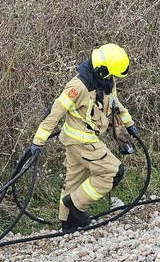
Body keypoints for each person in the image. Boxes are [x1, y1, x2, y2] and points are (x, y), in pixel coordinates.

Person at [29, 44, 139, 232]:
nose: (112, 78)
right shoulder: (77, 87)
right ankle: (75, 204)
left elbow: (115, 104)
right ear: (102, 69)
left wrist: (129, 124)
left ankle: (68, 224)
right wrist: (38, 141)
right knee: (113, 171)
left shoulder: (105, 82)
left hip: (82, 141)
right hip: (82, 141)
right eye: (111, 74)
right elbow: (55, 113)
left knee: (74, 181)